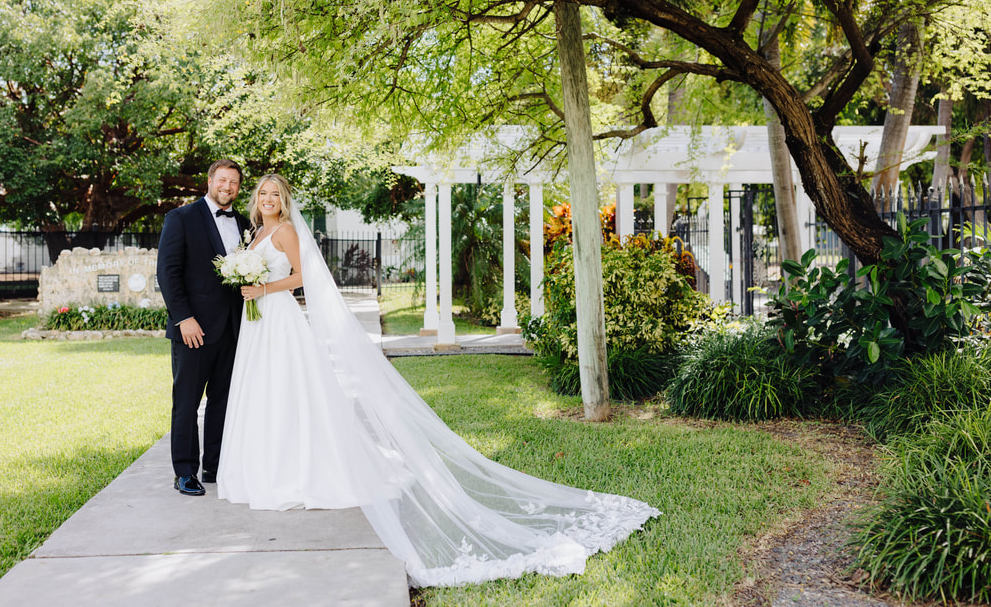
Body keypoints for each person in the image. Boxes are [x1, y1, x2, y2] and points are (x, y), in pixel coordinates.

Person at [217, 174, 661, 587]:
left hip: (280, 322)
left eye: (276, 194)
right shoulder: (253, 234)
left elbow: (301, 278)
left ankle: (299, 470)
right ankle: (264, 466)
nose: (269, 200)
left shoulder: (288, 232)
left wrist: (262, 290)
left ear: (285, 200)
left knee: (290, 395)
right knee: (264, 397)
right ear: (256, 201)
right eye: (263, 195)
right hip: (258, 329)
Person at [157, 159, 254, 496]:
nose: (227, 188)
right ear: (210, 180)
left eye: (234, 183)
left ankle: (215, 465)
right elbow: (167, 273)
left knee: (223, 401)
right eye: (222, 181)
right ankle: (184, 471)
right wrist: (184, 318)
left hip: (232, 328)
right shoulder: (181, 218)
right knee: (187, 402)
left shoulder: (243, 224)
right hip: (192, 329)